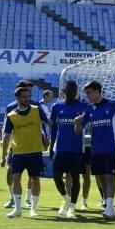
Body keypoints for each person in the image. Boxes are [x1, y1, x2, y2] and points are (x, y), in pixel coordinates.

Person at [75, 80, 115, 219]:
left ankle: (109, 207)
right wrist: (77, 123)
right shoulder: (89, 109)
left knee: (110, 178)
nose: (87, 96)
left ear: (98, 91)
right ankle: (109, 205)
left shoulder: (112, 105)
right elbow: (78, 131)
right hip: (96, 150)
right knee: (101, 178)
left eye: (89, 93)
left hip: (110, 148)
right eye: (86, 93)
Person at [0, 86, 49, 218]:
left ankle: (33, 209)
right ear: (17, 98)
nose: (27, 99)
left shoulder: (36, 110)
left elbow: (48, 123)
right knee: (16, 178)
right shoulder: (11, 116)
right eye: (24, 97)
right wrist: (3, 156)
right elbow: (6, 136)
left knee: (35, 179)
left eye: (29, 96)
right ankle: (17, 209)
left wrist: (48, 137)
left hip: (35, 152)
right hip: (18, 153)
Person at [49, 80, 89, 219]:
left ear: (77, 91)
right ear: (64, 91)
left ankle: (72, 207)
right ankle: (66, 198)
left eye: (74, 90)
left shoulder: (84, 106)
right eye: (69, 90)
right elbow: (53, 128)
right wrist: (51, 145)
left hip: (77, 149)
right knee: (56, 176)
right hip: (60, 148)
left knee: (75, 178)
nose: (72, 93)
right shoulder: (56, 106)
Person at [2, 80, 40, 209]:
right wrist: (4, 142)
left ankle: (28, 198)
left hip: (32, 146)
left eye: (30, 92)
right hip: (16, 146)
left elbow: (44, 123)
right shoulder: (10, 107)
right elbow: (6, 127)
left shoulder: (36, 106)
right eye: (26, 91)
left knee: (33, 175)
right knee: (10, 171)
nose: (29, 94)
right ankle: (12, 198)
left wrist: (45, 138)